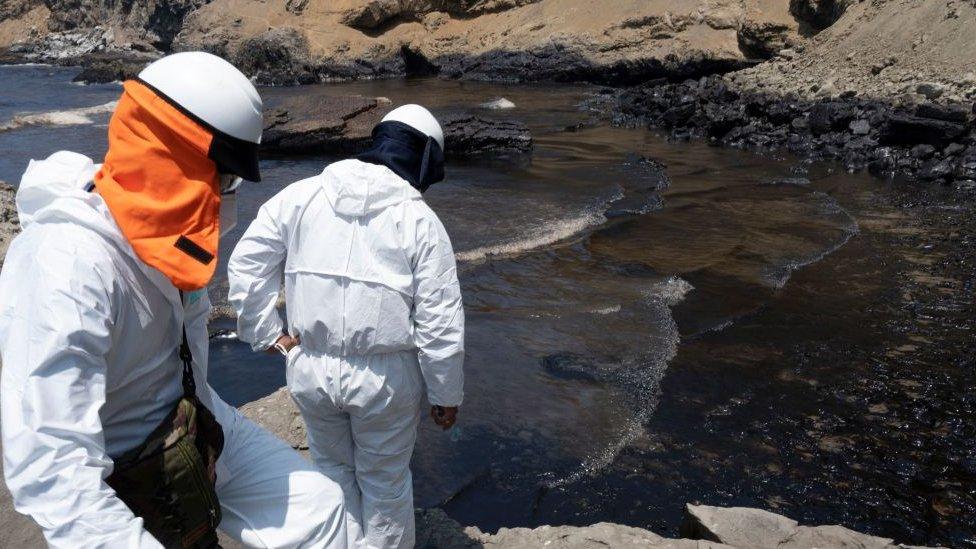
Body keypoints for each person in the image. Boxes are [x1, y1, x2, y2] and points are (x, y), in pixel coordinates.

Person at [0, 52, 347, 548]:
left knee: (320, 510)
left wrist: (205, 431)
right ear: (176, 166)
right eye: (224, 181)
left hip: (190, 415)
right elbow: (52, 464)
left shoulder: (166, 235)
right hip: (118, 463)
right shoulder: (69, 263)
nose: (228, 199)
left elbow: (182, 360)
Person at [228, 104, 464, 548]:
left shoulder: (302, 195)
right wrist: (445, 393)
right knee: (385, 484)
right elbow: (440, 320)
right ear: (426, 158)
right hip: (386, 379)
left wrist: (268, 334)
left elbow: (247, 262)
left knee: (333, 474)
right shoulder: (419, 220)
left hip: (309, 368)